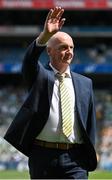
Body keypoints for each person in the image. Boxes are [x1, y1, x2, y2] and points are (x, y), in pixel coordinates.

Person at [4, 6, 97, 179]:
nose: (68, 51)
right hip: (43, 156)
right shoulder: (40, 77)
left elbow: (89, 123)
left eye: (71, 47)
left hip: (75, 159)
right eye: (63, 47)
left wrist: (91, 151)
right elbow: (29, 61)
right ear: (49, 51)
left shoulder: (85, 83)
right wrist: (45, 36)